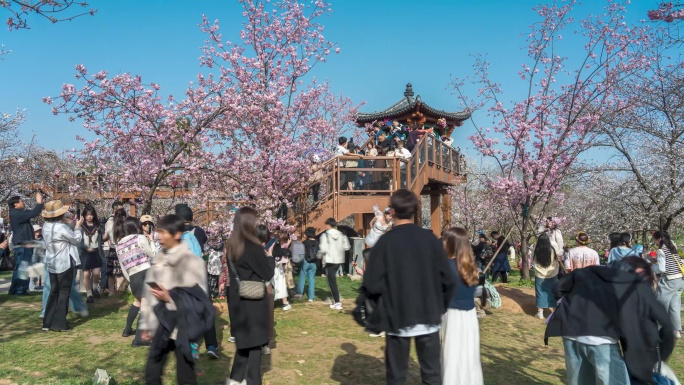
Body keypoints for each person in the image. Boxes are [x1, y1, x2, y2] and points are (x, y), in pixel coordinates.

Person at [364, 189, 456, 385]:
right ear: (414, 211)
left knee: (397, 377)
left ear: (393, 211)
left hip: (396, 316)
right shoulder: (430, 239)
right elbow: (447, 279)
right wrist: (440, 307)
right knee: (432, 375)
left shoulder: (386, 242)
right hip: (428, 314)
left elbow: (372, 283)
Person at [545, 257, 675, 385]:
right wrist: (659, 358)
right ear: (641, 273)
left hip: (569, 331)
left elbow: (557, 288)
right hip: (601, 339)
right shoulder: (634, 284)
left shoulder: (588, 271)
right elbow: (664, 324)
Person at [140, 214, 211, 385]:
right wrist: (147, 324)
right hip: (161, 323)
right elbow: (149, 293)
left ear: (177, 234)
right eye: (158, 232)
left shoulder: (193, 262)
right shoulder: (158, 259)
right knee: (152, 373)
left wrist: (170, 297)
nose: (159, 236)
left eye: (163, 232)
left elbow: (199, 300)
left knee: (185, 377)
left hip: (183, 326)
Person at [226, 207, 275, 385]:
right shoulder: (253, 247)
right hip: (253, 301)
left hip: (238, 299)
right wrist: (269, 257)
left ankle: (235, 380)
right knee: (254, 347)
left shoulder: (232, 245)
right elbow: (267, 273)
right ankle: (253, 381)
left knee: (244, 344)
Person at [174, 203, 219, 358]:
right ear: (191, 218)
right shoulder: (198, 232)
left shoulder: (178, 234)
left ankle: (191, 345)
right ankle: (211, 345)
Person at [440, 227, 484, 385]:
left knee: (451, 356)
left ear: (452, 243)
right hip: (469, 317)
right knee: (468, 356)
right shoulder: (470, 266)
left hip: (452, 316)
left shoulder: (446, 266)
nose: (442, 242)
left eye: (445, 239)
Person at [41, 200, 83, 332]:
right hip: (64, 261)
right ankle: (59, 323)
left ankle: (47, 322)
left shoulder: (46, 226)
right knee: (64, 292)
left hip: (52, 262)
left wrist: (70, 223)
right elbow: (75, 239)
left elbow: (63, 230)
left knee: (54, 291)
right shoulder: (61, 228)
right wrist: (78, 228)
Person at [114, 216, 156, 341]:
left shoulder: (119, 245)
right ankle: (139, 338)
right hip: (145, 272)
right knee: (146, 304)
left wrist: (130, 279)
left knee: (137, 302)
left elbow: (123, 267)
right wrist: (152, 241)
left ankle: (127, 329)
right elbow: (153, 254)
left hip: (133, 276)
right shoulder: (140, 238)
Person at [8, 192, 44, 295]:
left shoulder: (17, 213)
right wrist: (39, 202)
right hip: (23, 245)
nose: (23, 202)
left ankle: (14, 289)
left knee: (19, 268)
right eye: (21, 201)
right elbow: (34, 213)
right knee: (23, 267)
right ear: (16, 204)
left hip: (23, 245)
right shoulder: (16, 213)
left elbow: (32, 212)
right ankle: (21, 289)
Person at [651, 230, 684, 339]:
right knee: (674, 307)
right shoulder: (672, 246)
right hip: (680, 279)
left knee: (661, 306)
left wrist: (652, 266)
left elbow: (661, 269)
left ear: (659, 239)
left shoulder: (661, 251)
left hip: (669, 281)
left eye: (655, 239)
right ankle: (676, 330)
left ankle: (660, 330)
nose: (655, 242)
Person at [317, 218, 351, 310]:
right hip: (339, 260)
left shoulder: (325, 235)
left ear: (328, 225)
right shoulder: (341, 234)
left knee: (332, 281)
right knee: (331, 280)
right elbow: (347, 247)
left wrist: (318, 256)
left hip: (329, 260)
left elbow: (323, 249)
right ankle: (337, 300)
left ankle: (337, 302)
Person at [532, 233, 559, 320]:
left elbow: (533, 260)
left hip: (540, 274)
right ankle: (555, 312)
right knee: (553, 292)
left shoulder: (536, 250)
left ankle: (540, 312)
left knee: (540, 292)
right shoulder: (552, 249)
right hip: (552, 274)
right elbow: (556, 260)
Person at [80, 206, 103, 303]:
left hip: (96, 252)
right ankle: (89, 294)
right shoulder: (81, 226)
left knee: (96, 273)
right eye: (87, 215)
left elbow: (101, 238)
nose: (89, 217)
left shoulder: (98, 226)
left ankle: (94, 288)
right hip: (85, 253)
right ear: (84, 216)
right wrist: (86, 248)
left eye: (91, 215)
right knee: (86, 274)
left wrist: (105, 236)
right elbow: (78, 240)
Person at [102, 201, 124, 295]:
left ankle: (115, 291)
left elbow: (105, 236)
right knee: (115, 271)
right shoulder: (112, 221)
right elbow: (106, 236)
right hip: (117, 248)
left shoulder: (112, 221)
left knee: (115, 271)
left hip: (117, 248)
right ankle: (115, 291)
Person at [296, 227, 318, 302]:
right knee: (311, 280)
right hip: (314, 263)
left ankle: (299, 294)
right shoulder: (317, 243)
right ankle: (311, 297)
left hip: (306, 262)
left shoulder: (305, 243)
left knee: (302, 278)